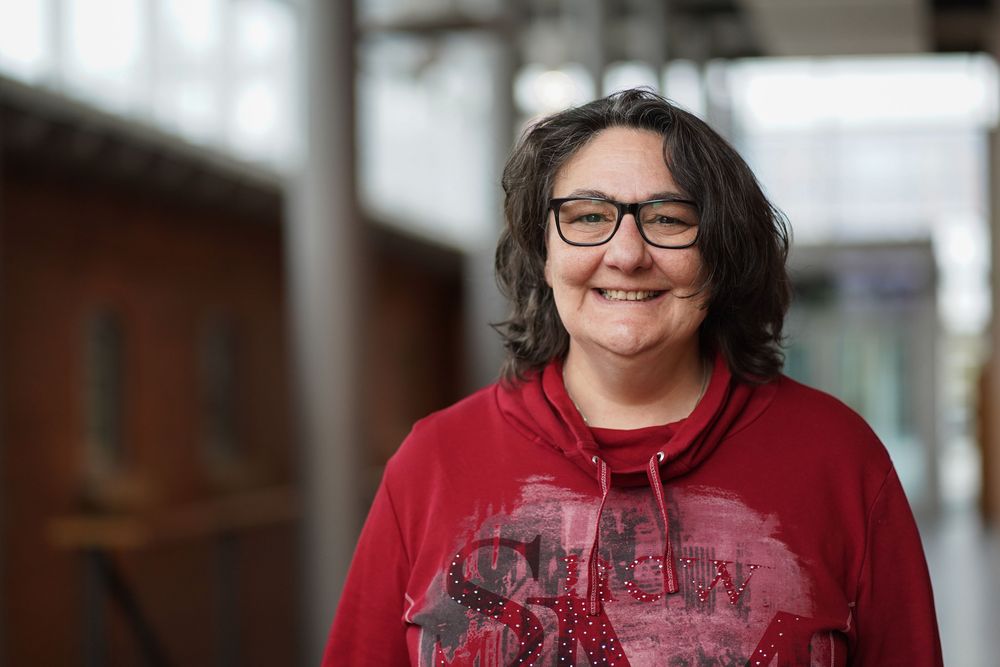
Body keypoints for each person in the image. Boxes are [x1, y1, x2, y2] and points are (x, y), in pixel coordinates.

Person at [323, 88, 942, 666]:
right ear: (544, 253)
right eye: (588, 216)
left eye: (668, 219)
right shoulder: (433, 463)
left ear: (721, 252)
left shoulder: (838, 459)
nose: (625, 254)